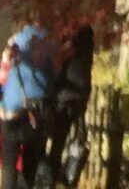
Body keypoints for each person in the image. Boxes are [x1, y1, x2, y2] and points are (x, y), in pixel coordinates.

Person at [0, 23, 52, 184]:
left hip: (11, 112)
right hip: (34, 113)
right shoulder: (48, 45)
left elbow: (3, 78)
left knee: (9, 160)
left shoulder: (15, 46)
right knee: (31, 158)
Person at [42, 26, 91, 187]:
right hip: (74, 101)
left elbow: (60, 77)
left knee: (55, 141)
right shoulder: (84, 58)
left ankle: (50, 175)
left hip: (64, 101)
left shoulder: (70, 59)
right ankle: (55, 175)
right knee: (61, 141)